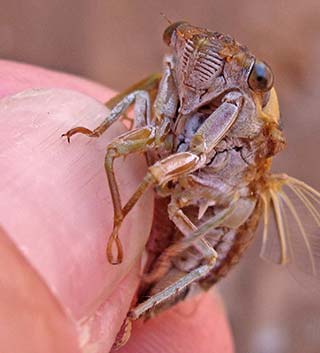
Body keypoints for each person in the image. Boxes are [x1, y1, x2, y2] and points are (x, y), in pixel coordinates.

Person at [0, 60, 234, 353]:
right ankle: (121, 231)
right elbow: (141, 101)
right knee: (116, 148)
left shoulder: (233, 116)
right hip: (168, 200)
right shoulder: (173, 89)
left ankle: (138, 306)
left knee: (204, 253)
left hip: (200, 215)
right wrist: (99, 130)